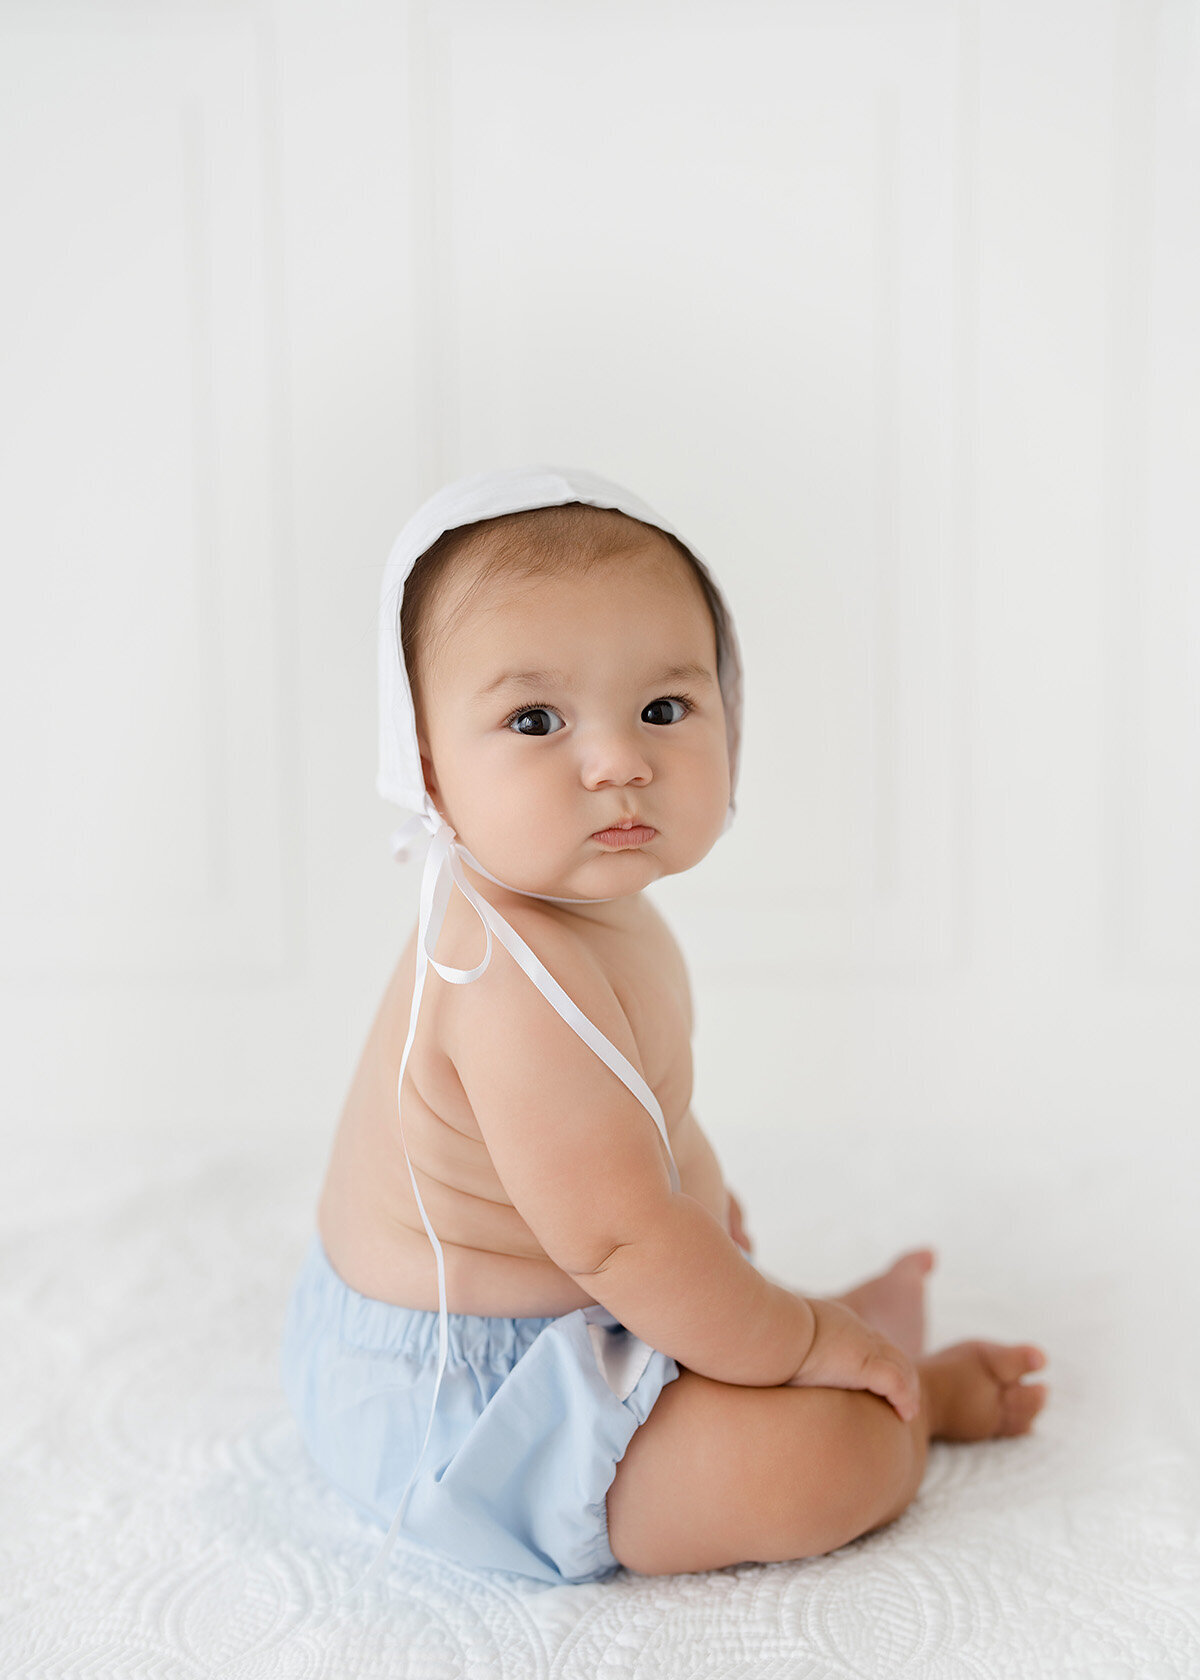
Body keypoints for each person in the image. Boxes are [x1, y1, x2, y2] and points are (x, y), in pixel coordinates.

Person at [280, 465, 1049, 1589]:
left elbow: (638, 1149)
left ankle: (816, 1339)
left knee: (731, 1311)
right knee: (822, 1460)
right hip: (467, 1404)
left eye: (664, 708)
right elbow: (623, 1242)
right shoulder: (504, 977)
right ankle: (902, 1398)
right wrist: (803, 1348)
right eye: (536, 719)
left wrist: (704, 1215)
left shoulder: (593, 907)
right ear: (428, 765)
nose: (619, 761)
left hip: (591, 1308)